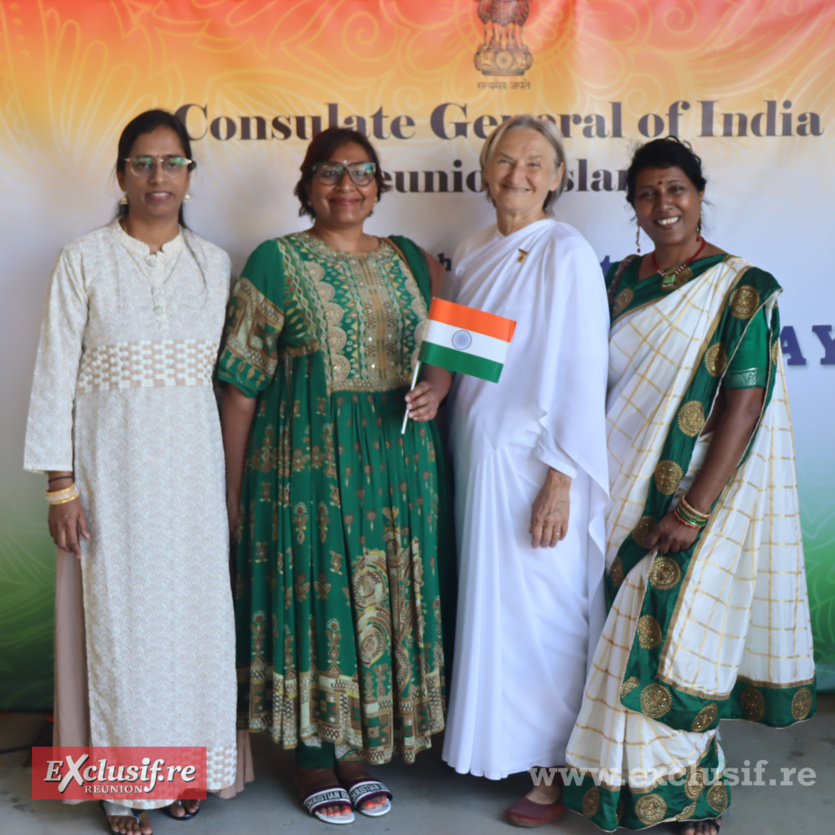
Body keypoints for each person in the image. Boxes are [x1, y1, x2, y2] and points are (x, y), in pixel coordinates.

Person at [561, 137, 816, 834]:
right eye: (646, 193)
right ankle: (615, 789)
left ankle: (689, 798)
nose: (661, 204)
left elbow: (742, 403)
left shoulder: (739, 289)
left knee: (670, 640)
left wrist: (694, 506)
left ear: (698, 194)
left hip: (692, 497)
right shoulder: (616, 283)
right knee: (613, 638)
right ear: (631, 206)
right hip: (612, 486)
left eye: (674, 189)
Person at [219, 127, 452, 825]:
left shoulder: (413, 260)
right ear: (306, 185)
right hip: (304, 473)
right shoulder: (274, 262)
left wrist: (436, 388)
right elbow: (238, 388)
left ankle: (358, 751)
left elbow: (441, 353)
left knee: (379, 604)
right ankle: (315, 756)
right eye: (329, 172)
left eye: (360, 173)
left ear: (379, 185)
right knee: (318, 603)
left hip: (398, 470)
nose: (346, 185)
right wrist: (229, 494)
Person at [23, 109, 239, 835]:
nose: (158, 176)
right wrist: (61, 484)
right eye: (143, 163)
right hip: (110, 477)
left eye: (172, 162)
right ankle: (123, 786)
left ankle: (188, 771)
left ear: (188, 175)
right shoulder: (82, 259)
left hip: (190, 478)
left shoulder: (214, 265)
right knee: (122, 627)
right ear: (120, 175)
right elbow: (55, 376)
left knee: (194, 628)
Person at [440, 114, 610, 827]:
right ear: (484, 171)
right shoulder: (471, 248)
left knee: (547, 613)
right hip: (477, 458)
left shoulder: (565, 252)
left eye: (535, 163)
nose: (518, 174)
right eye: (505, 160)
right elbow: (463, 363)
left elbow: (577, 369)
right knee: (496, 612)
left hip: (539, 465)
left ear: (558, 177)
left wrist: (561, 477)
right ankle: (505, 746)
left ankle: (555, 769)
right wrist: (430, 387)